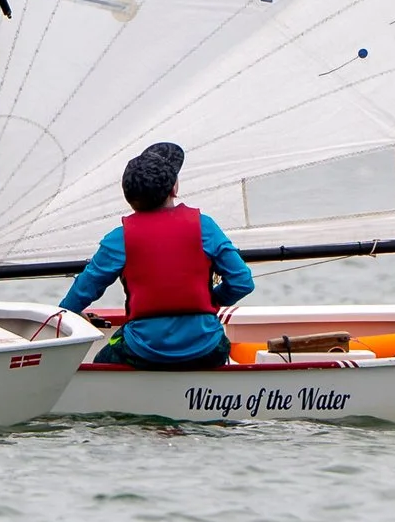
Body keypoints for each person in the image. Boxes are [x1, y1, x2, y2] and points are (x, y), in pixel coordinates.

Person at [58, 140, 255, 368]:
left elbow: (82, 291)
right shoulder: (205, 227)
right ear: (174, 189)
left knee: (102, 361)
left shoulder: (119, 239)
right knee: (220, 345)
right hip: (206, 348)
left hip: (144, 351)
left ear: (129, 198)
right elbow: (242, 282)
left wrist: (66, 315)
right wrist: (212, 300)